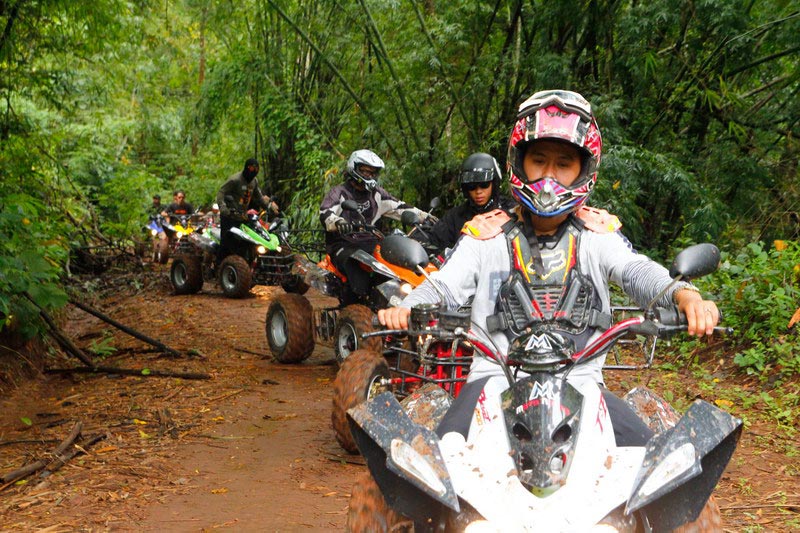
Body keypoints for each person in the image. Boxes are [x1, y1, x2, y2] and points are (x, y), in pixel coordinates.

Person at [379, 89, 720, 446]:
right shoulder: (485, 235)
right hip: (493, 380)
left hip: (581, 383)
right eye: (539, 160)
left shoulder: (596, 234)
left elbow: (636, 271)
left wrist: (685, 295)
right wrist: (407, 306)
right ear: (519, 161)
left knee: (652, 470)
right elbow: (444, 285)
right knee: (435, 466)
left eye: (563, 164)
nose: (549, 176)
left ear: (583, 170)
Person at [319, 149, 434, 305]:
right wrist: (338, 222)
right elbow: (325, 213)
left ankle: (397, 300)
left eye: (372, 173)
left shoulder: (377, 194)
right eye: (365, 171)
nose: (369, 175)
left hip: (372, 244)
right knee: (357, 270)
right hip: (343, 244)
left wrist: (426, 217)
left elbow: (400, 207)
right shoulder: (339, 192)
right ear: (354, 168)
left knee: (395, 264)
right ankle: (354, 304)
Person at [416, 152, 515, 254]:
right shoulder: (456, 216)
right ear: (465, 188)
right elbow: (433, 238)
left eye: (484, 185)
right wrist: (415, 243)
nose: (478, 191)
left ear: (494, 183)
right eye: (472, 186)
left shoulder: (512, 211)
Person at [216, 158, 275, 258]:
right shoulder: (235, 180)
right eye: (252, 168)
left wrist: (267, 207)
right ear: (247, 168)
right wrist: (223, 207)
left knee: (245, 243)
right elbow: (221, 192)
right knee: (226, 243)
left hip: (243, 216)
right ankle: (220, 265)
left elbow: (259, 196)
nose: (254, 171)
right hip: (230, 215)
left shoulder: (254, 181)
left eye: (257, 169)